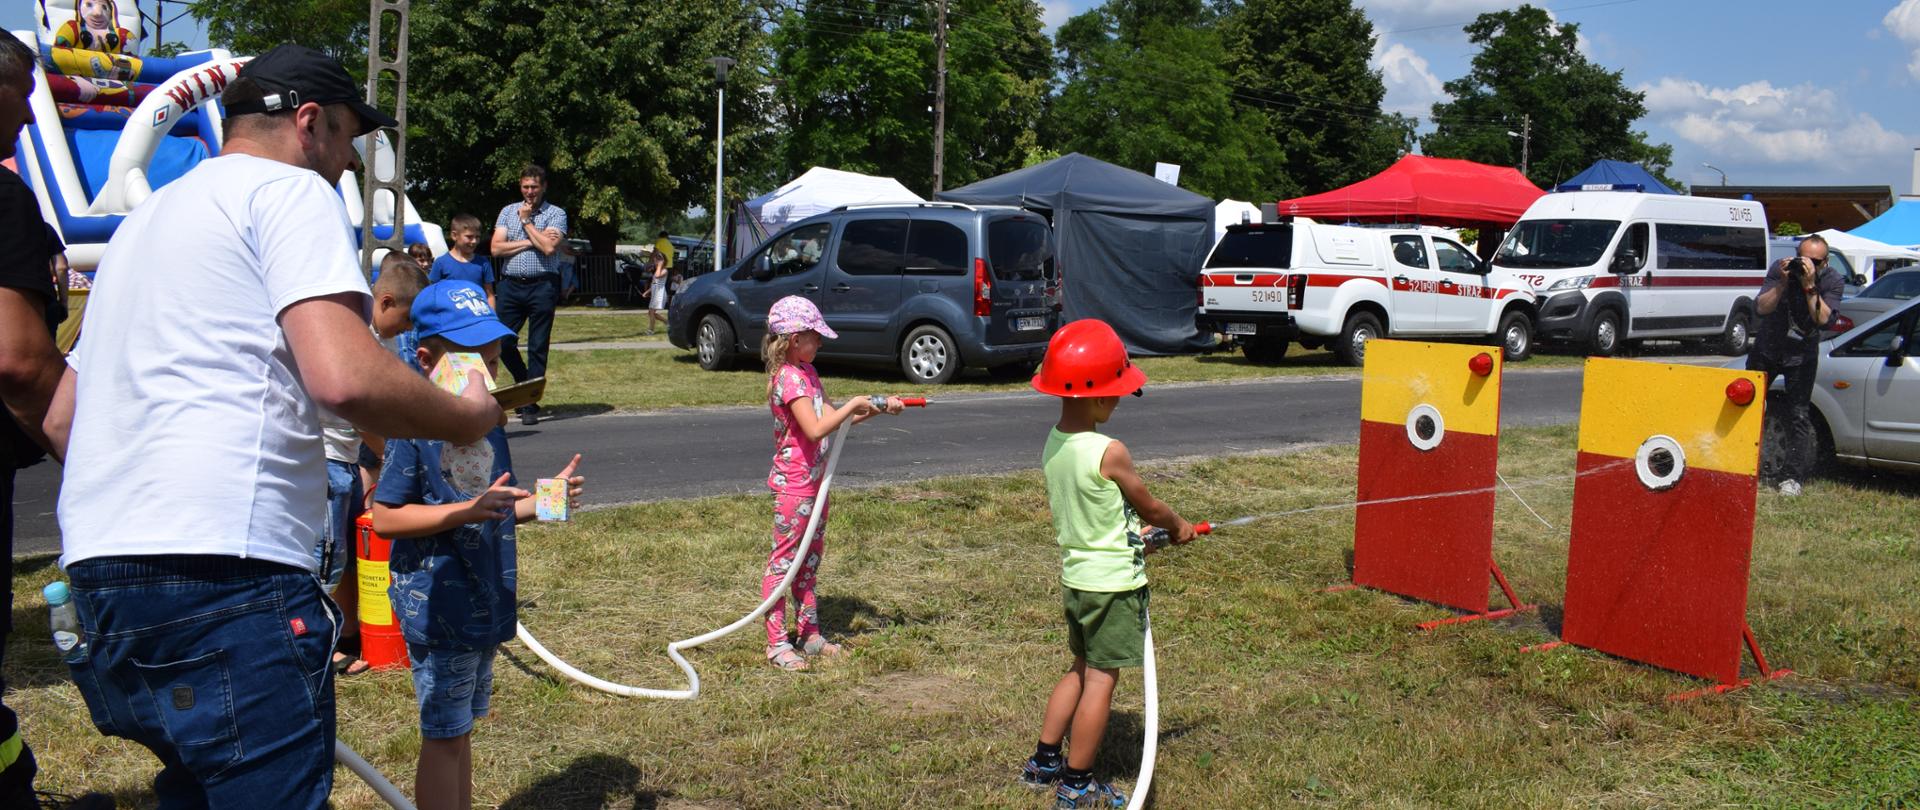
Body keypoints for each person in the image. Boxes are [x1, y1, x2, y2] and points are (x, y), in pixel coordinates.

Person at [50, 44, 502, 808]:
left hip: (100, 581)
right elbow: (343, 375)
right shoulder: (288, 192)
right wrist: (467, 417)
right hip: (225, 572)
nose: (351, 166)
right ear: (308, 122)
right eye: (349, 142)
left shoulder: (146, 221)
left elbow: (65, 417)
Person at [371, 280, 585, 810]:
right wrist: (462, 512)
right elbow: (385, 517)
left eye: (489, 364)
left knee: (461, 729)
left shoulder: (489, 422)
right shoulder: (412, 427)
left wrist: (544, 501)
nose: (481, 379)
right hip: (438, 602)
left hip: (483, 597)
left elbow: (496, 504)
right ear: (426, 360)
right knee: (443, 737)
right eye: (468, 365)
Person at [1018, 319, 1195, 808]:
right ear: (1097, 398)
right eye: (1117, 394)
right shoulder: (1109, 451)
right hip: (1113, 586)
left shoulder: (1056, 442)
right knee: (1102, 679)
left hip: (1077, 580)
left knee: (1079, 668)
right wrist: (1177, 527)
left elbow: (1094, 511)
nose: (1119, 402)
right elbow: (1150, 506)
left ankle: (1043, 761)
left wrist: (1129, 536)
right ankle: (1077, 782)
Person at [0, 33, 111, 809]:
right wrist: (109, 476)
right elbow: (17, 361)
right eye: (14, 112)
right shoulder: (2, 198)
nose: (23, 132)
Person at [759, 295, 902, 671]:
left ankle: (808, 635)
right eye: (815, 337)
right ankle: (776, 644)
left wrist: (876, 408)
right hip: (795, 487)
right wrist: (856, 401)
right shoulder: (789, 378)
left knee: (808, 563)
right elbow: (815, 427)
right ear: (794, 340)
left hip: (815, 483)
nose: (820, 343)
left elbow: (834, 421)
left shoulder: (807, 374)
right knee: (784, 564)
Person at [317, 253, 429, 678]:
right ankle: (320, 651)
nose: (404, 331)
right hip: (328, 457)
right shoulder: (355, 336)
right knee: (326, 557)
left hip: (341, 459)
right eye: (402, 321)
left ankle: (343, 635)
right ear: (384, 302)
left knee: (340, 552)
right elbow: (361, 416)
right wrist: (392, 458)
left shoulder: (373, 335)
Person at [1749, 234, 1843, 496]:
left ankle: (1792, 477)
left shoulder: (1832, 280)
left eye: (1814, 261)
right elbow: (1761, 308)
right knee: (1748, 406)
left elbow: (1824, 320)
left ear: (1825, 262)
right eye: (1803, 258)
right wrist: (1782, 282)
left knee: (1798, 414)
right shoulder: (1781, 269)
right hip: (1768, 349)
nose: (1806, 264)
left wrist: (1810, 284)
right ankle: (1743, 464)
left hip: (1801, 355)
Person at [491, 164, 567, 425]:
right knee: (502, 342)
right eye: (525, 186)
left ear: (543, 187)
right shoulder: (506, 211)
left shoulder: (556, 214)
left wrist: (526, 222)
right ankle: (524, 383)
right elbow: (496, 248)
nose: (530, 191)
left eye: (534, 186)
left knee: (537, 345)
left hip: (543, 285)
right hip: (511, 285)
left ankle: (530, 403)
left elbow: (548, 248)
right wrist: (530, 239)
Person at [429, 213, 496, 311]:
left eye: (477, 237)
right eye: (469, 237)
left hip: (477, 317)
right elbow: (432, 294)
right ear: (454, 235)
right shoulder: (441, 263)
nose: (474, 241)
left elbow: (490, 295)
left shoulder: (483, 263)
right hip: (450, 317)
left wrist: (492, 318)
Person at [647, 230, 673, 335]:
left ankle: (651, 330)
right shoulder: (670, 244)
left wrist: (650, 263)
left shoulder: (660, 241)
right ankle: (667, 322)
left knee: (651, 312)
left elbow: (654, 252)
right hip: (668, 266)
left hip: (664, 268)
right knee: (651, 312)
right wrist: (648, 291)